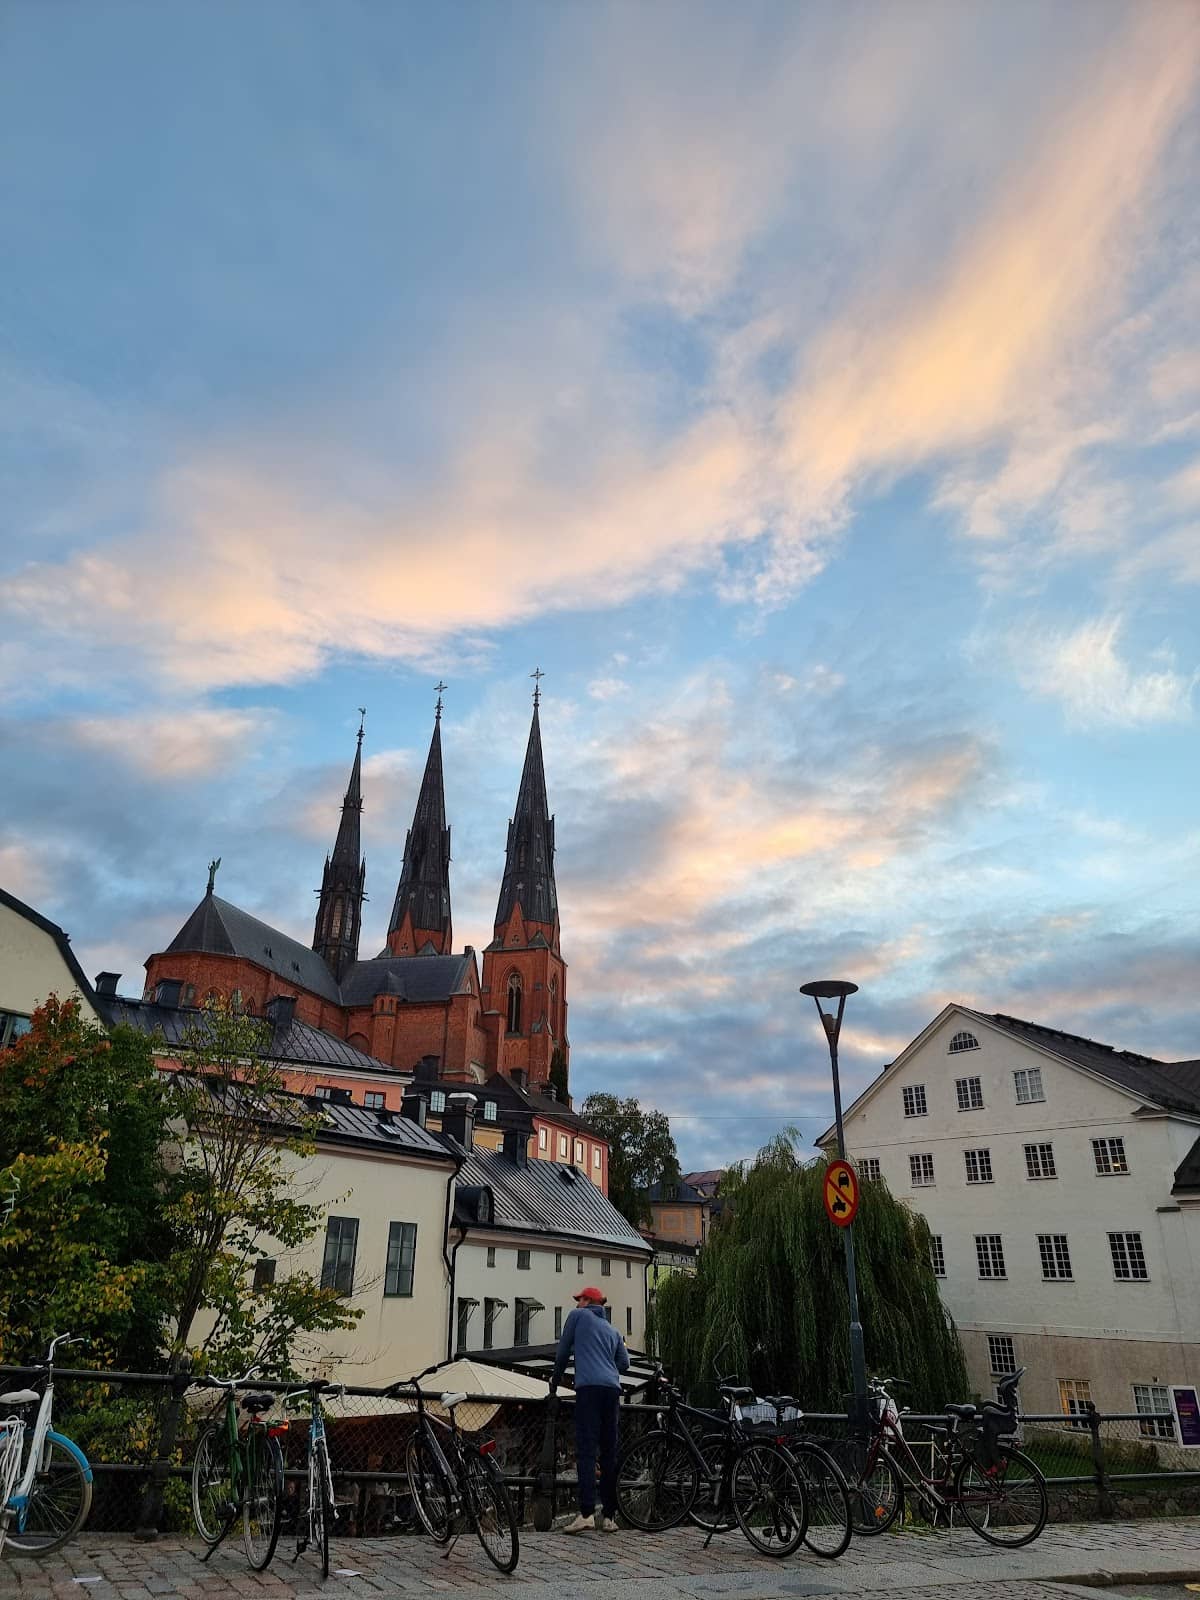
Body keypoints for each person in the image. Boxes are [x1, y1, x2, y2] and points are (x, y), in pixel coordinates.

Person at [550, 1285, 630, 1532]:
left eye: (579, 1299)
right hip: (612, 1391)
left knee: (586, 1451)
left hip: (588, 1391)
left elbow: (562, 1351)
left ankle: (585, 1513)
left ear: (588, 1301)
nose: (576, 1304)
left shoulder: (577, 1317)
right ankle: (609, 1516)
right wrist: (605, 1364)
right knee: (608, 1454)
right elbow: (624, 1364)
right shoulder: (613, 1331)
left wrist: (555, 1381)